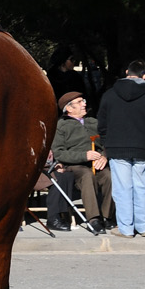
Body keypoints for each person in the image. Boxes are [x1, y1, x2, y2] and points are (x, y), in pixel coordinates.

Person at [97, 60, 145, 239]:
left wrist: (107, 142)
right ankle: (144, 226)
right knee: (142, 188)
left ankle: (126, 228)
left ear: (127, 72)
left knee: (122, 189)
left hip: (117, 148)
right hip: (144, 148)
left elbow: (102, 124)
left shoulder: (110, 94)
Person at [51, 91, 113, 233]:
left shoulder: (94, 122)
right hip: (74, 167)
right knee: (86, 175)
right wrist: (84, 156)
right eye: (79, 102)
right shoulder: (61, 126)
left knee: (109, 176)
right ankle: (94, 219)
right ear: (69, 108)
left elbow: (107, 144)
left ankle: (107, 216)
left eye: (83, 100)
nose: (84, 104)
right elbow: (59, 153)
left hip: (96, 164)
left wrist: (104, 156)